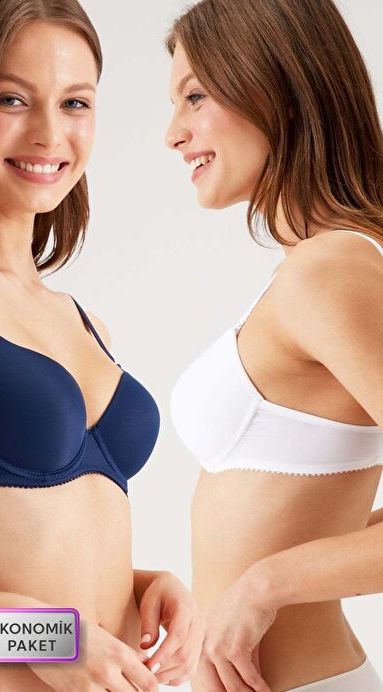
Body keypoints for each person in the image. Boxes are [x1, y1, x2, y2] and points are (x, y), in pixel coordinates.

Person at [0, 1, 204, 690]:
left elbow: (38, 556)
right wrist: (38, 635)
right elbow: (8, 624)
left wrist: (142, 585)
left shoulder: (83, 323)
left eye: (74, 102)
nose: (49, 133)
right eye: (10, 99)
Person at [165, 0, 383, 690]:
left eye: (194, 96)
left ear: (272, 83)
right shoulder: (311, 271)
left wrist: (270, 582)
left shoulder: (331, 271)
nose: (173, 133)